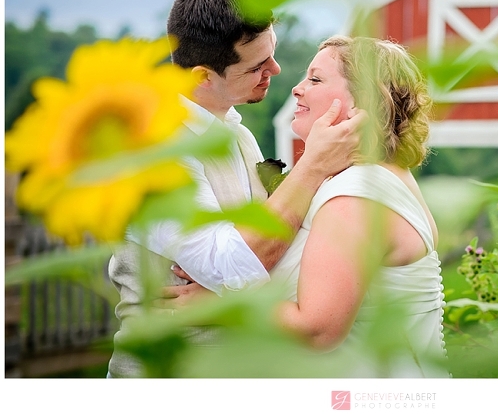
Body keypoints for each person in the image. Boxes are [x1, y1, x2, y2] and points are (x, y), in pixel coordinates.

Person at [107, 0, 363, 378]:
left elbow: (270, 251)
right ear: (201, 77)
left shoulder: (238, 136)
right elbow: (234, 265)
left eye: (272, 54)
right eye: (257, 66)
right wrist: (313, 166)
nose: (276, 71)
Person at [167, 35, 450, 377]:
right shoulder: (387, 175)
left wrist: (223, 302)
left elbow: (318, 330)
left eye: (315, 79)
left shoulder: (356, 196)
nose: (296, 88)